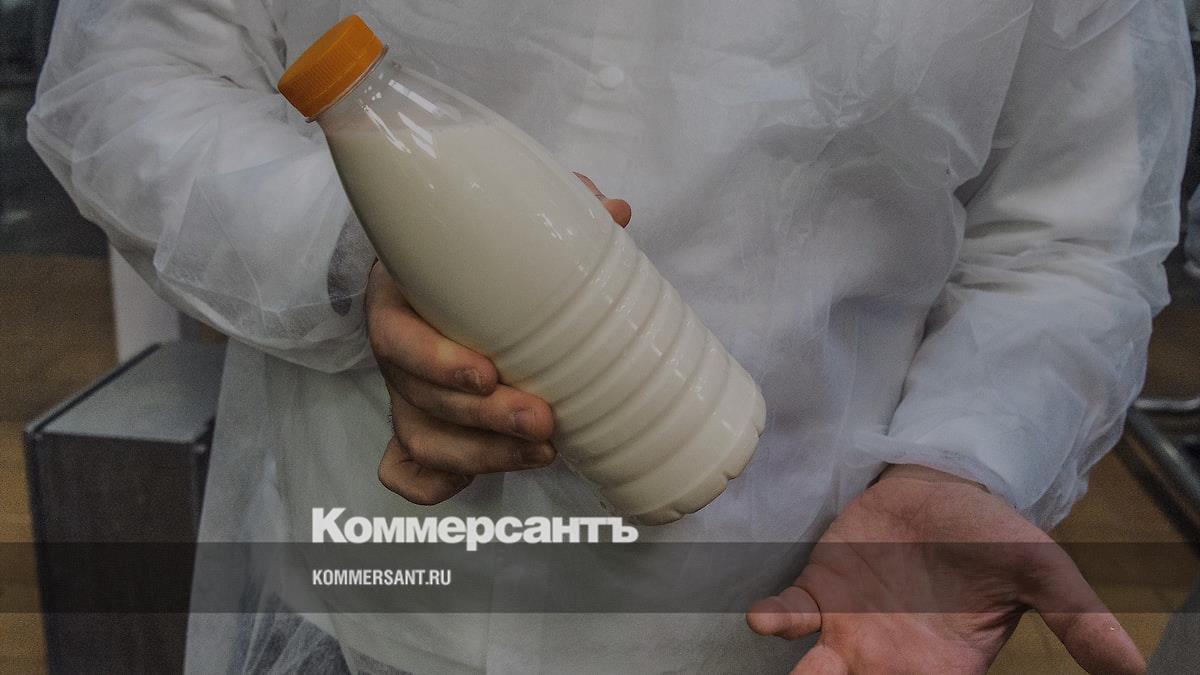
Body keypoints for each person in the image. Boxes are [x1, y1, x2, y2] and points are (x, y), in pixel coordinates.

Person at [27, 0, 1191, 672]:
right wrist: (349, 253)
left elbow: (1070, 234)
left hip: (789, 602)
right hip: (373, 568)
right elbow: (134, 71)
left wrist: (963, 460)